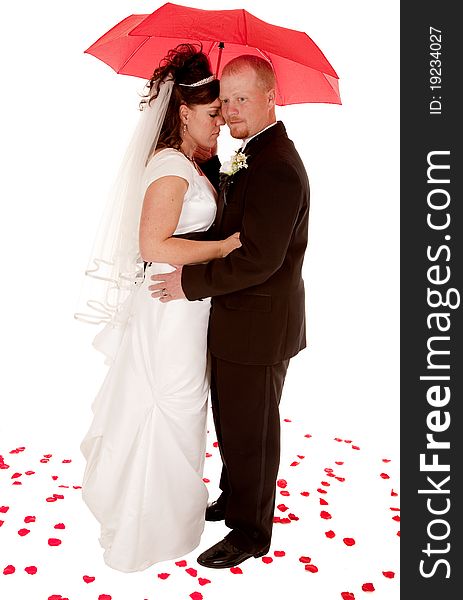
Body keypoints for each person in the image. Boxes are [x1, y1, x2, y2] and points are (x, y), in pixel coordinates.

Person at [77, 44, 240, 573]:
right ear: (184, 111)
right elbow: (154, 245)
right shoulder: (171, 166)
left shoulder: (190, 164)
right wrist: (223, 247)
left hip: (184, 306)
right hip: (170, 310)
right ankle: (147, 529)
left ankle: (168, 519)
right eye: (213, 113)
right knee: (171, 405)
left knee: (181, 407)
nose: (220, 123)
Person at [150, 55, 310, 569]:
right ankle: (235, 496)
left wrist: (189, 283)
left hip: (260, 326)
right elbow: (230, 225)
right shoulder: (251, 156)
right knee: (235, 422)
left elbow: (259, 259)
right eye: (226, 101)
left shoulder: (278, 166)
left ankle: (251, 532)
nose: (231, 110)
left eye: (243, 99)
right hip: (238, 321)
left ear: (270, 97)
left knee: (253, 431)